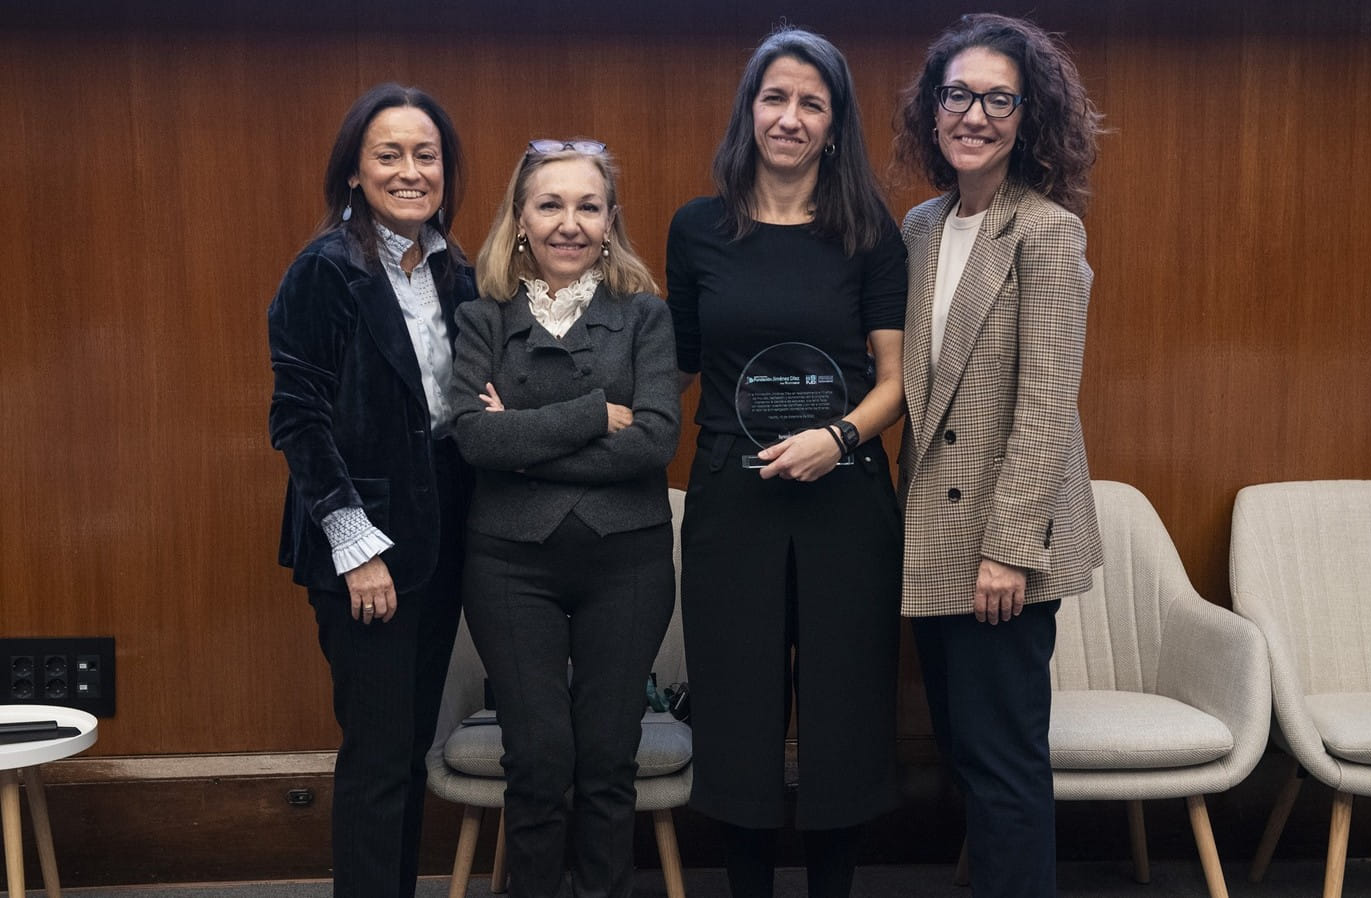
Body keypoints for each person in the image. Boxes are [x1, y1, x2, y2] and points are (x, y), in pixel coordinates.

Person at [666, 27, 906, 898]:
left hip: (846, 495)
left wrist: (838, 437)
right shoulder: (697, 230)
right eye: (776, 98)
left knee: (844, 711)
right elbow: (677, 369)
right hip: (734, 496)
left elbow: (895, 380)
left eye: (812, 103)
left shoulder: (871, 231)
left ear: (834, 124)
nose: (791, 118)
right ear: (749, 110)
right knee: (737, 713)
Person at [892, 13, 1107, 898]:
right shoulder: (919, 226)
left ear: (1030, 116)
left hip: (999, 551)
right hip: (930, 538)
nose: (973, 115)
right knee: (966, 758)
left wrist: (1009, 549)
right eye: (958, 94)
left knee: (1005, 765)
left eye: (998, 99)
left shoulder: (1048, 232)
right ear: (932, 109)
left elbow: (1048, 403)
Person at [447, 139, 679, 898]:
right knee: (541, 761)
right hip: (510, 565)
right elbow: (473, 437)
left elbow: (654, 441)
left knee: (608, 761)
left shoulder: (646, 315)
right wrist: (591, 415)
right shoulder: (481, 317)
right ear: (520, 219)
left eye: (588, 205)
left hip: (629, 562)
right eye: (550, 204)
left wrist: (523, 442)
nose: (569, 223)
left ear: (611, 220)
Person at [267, 83, 473, 898]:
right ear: (355, 171)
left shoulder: (453, 271)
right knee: (378, 761)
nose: (411, 171)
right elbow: (298, 423)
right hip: (365, 554)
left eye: (426, 155)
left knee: (408, 751)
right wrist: (358, 551)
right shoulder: (324, 270)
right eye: (390, 154)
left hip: (441, 540)